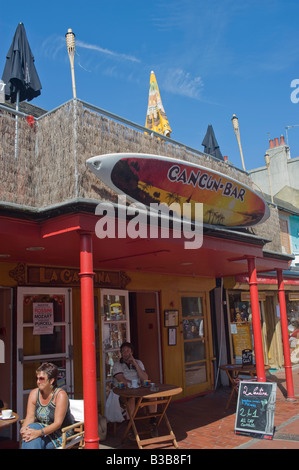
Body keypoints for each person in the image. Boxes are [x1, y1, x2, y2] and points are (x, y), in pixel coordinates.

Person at [20, 362, 75, 449]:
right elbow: (30, 417)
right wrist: (24, 429)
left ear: (51, 380)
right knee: (31, 432)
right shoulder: (34, 394)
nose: (38, 382)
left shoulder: (60, 395)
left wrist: (37, 433)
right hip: (41, 429)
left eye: (41, 379)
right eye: (37, 378)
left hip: (60, 433)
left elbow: (57, 424)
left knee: (32, 441)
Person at [112, 342, 158, 437]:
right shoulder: (117, 365)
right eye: (123, 351)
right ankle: (130, 426)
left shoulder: (139, 362)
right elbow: (122, 380)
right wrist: (135, 384)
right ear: (121, 353)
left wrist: (136, 365)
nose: (125, 353)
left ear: (131, 352)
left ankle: (153, 422)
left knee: (153, 397)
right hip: (123, 393)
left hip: (139, 391)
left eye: (128, 351)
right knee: (131, 398)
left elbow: (145, 378)